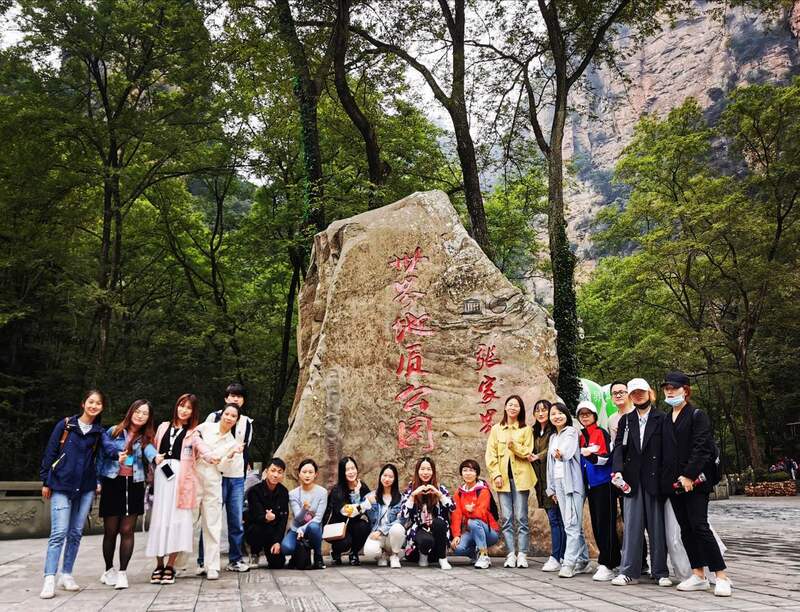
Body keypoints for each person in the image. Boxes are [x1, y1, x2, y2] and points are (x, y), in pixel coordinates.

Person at [39, 390, 119, 599]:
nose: (94, 406)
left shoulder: (98, 432)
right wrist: (45, 480)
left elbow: (109, 449)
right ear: (83, 403)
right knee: (59, 533)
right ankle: (49, 578)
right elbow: (50, 452)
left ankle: (66, 574)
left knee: (75, 533)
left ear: (102, 407)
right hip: (61, 484)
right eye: (91, 402)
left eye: (98, 403)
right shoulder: (66, 425)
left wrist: (120, 453)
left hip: (86, 487)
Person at [660, 371, 732, 597]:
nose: (670, 391)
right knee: (686, 529)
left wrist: (689, 475)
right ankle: (698, 574)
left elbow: (702, 448)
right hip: (674, 484)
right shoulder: (665, 418)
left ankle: (721, 576)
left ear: (685, 390)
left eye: (674, 387)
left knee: (700, 526)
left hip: (695, 482)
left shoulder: (697, 415)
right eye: (667, 388)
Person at [146, 393, 215, 586]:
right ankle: (158, 565)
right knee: (160, 519)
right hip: (162, 476)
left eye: (189, 408)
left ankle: (170, 565)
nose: (184, 410)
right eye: (182, 406)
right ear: (176, 406)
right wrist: (155, 457)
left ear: (193, 412)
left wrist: (214, 456)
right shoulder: (163, 427)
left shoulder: (193, 433)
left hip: (182, 480)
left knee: (177, 520)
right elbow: (151, 447)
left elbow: (203, 449)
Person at [610, 378, 671, 587]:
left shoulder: (662, 418)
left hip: (655, 480)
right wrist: (617, 471)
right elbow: (619, 448)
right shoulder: (626, 421)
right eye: (634, 393)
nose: (638, 396)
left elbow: (668, 451)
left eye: (641, 392)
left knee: (657, 528)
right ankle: (628, 571)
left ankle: (660, 571)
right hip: (632, 481)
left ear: (650, 393)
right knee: (632, 528)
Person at [97, 399, 157, 590]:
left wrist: (157, 457)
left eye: (145, 413)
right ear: (131, 412)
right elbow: (101, 456)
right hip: (112, 483)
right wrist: (97, 481)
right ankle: (109, 570)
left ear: (148, 418)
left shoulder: (146, 437)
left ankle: (123, 573)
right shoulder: (114, 431)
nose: (140, 416)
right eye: (138, 411)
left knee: (127, 530)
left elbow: (151, 453)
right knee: (110, 531)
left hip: (134, 485)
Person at [200, 382, 254, 573]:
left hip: (236, 476)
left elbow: (245, 449)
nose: (235, 399)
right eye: (232, 395)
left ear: (243, 400)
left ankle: (235, 559)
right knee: (210, 518)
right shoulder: (213, 417)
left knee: (236, 520)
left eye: (239, 396)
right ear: (225, 398)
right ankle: (203, 561)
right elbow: (202, 443)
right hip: (215, 474)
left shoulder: (247, 422)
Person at [194, 403, 245, 579]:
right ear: (221, 414)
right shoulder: (206, 427)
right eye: (227, 414)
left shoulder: (232, 442)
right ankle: (177, 563)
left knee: (212, 523)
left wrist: (230, 455)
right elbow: (191, 440)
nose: (229, 418)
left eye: (233, 416)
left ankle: (212, 565)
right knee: (187, 520)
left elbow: (222, 467)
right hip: (194, 477)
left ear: (237, 420)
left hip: (213, 481)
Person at [485, 394, 536, 568]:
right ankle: (510, 554)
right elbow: (490, 454)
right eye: (510, 404)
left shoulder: (526, 430)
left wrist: (513, 445)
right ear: (505, 407)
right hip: (503, 480)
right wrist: (496, 475)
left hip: (521, 479)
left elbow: (528, 452)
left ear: (520, 410)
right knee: (506, 518)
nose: (513, 408)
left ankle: (522, 554)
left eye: (516, 405)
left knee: (521, 518)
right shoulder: (496, 429)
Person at [606, 380, 649, 575]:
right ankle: (638, 562)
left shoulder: (640, 414)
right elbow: (616, 448)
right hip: (623, 477)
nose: (618, 395)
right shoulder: (612, 420)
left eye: (622, 392)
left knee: (650, 520)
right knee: (630, 519)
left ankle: (653, 564)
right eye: (614, 393)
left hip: (645, 475)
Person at [576, 400, 620, 582]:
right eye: (582, 414)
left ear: (594, 415)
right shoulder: (582, 436)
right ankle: (612, 560)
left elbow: (607, 458)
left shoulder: (600, 432)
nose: (585, 417)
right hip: (591, 486)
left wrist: (592, 456)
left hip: (604, 484)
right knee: (597, 524)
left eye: (588, 413)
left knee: (605, 524)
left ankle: (607, 564)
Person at [545, 402, 590, 578]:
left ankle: (569, 563)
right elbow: (550, 465)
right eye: (553, 414)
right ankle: (583, 560)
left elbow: (567, 452)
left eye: (560, 413)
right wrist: (551, 489)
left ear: (566, 415)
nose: (556, 416)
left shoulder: (571, 432)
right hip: (559, 484)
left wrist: (561, 453)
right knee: (572, 524)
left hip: (572, 484)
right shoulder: (552, 437)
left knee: (571, 524)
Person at [400, 456, 455, 570]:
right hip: (419, 531)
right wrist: (413, 495)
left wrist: (438, 494)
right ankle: (423, 554)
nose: (425, 472)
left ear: (433, 471)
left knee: (439, 523)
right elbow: (404, 514)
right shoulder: (411, 488)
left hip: (437, 533)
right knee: (426, 541)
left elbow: (452, 507)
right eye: (422, 469)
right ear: (417, 471)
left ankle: (443, 559)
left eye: (429, 469)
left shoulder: (439, 488)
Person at [530, 398, 565, 572]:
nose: (541, 413)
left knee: (557, 519)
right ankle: (562, 555)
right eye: (537, 410)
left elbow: (551, 450)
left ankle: (557, 556)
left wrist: (538, 456)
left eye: (545, 410)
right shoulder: (534, 432)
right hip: (541, 482)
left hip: (554, 480)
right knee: (556, 519)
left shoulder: (554, 432)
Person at [323, 456, 373, 566]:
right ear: (343, 472)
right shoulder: (337, 490)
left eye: (353, 468)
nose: (351, 472)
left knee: (364, 527)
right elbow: (348, 511)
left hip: (354, 524)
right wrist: (359, 498)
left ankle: (353, 553)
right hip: (339, 526)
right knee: (345, 542)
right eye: (347, 470)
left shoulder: (362, 486)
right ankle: (336, 552)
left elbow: (370, 506)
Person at [450, 459, 500, 569]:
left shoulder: (483, 490)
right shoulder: (459, 493)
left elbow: (481, 513)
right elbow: (456, 515)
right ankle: (476, 554)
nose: (468, 473)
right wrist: (456, 535)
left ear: (477, 473)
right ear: (461, 473)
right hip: (471, 531)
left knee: (473, 522)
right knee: (457, 548)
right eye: (465, 470)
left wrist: (470, 512)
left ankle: (484, 555)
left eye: (471, 470)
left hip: (489, 532)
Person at [282, 458, 327, 570]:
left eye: (310, 472)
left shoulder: (322, 492)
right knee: (286, 548)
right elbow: (298, 518)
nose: (307, 475)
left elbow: (318, 518)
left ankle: (318, 556)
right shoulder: (293, 494)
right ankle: (296, 555)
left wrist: (303, 529)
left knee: (314, 526)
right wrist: (304, 509)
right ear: (299, 474)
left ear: (315, 474)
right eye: (304, 472)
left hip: (313, 529)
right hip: (296, 529)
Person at [245, 458, 289, 569]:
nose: (275, 475)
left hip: (272, 532)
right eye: (273, 470)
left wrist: (277, 541)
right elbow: (255, 515)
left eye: (279, 472)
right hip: (257, 528)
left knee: (278, 564)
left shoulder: (284, 492)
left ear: (282, 475)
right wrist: (266, 517)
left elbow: (283, 519)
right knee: (256, 529)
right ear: (266, 471)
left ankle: (271, 550)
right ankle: (254, 552)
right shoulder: (254, 491)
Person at [363, 463, 406, 568]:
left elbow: (401, 520)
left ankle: (394, 555)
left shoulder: (401, 499)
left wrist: (381, 531)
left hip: (392, 536)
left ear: (395, 479)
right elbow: (359, 510)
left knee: (398, 528)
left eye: (390, 477)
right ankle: (382, 554)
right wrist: (367, 503)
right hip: (377, 536)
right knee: (369, 551)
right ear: (380, 476)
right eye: (384, 475)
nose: (387, 479)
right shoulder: (371, 496)